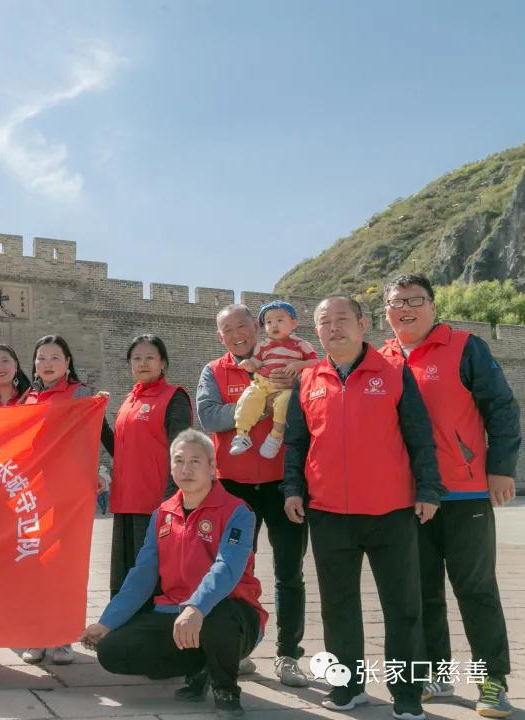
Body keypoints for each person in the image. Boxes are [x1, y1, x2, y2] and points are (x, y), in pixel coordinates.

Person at [282, 296, 444, 720]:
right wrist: (292, 489)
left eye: (342, 319)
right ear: (317, 331)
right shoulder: (308, 379)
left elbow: (419, 435)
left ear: (362, 324)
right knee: (337, 607)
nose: (333, 328)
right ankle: (347, 687)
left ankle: (406, 694)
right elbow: (296, 442)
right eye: (324, 322)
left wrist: (429, 489)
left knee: (403, 607)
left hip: (391, 512)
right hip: (329, 513)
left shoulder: (393, 372)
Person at [379, 274, 519, 718]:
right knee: (421, 591)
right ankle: (434, 673)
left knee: (475, 589)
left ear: (433, 306)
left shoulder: (464, 347)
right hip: (408, 497)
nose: (406, 308)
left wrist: (501, 468)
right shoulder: (382, 358)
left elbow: (501, 407)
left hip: (465, 492)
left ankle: (492, 681)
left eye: (415, 300)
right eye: (397, 302)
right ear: (386, 313)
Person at [79, 429, 266, 719]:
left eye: (195, 461)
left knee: (217, 616)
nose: (186, 469)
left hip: (232, 614)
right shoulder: (163, 514)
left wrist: (196, 607)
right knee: (112, 650)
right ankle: (199, 666)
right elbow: (142, 575)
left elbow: (227, 568)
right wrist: (107, 622)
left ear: (212, 467)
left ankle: (226, 688)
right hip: (174, 612)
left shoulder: (238, 512)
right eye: (179, 461)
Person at [196, 303, 309, 687]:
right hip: (233, 488)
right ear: (220, 336)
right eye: (228, 330)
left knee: (289, 572)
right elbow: (209, 416)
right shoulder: (214, 371)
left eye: (242, 326)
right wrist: (258, 409)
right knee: (233, 569)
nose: (237, 335)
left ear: (256, 328)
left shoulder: (287, 361)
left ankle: (288, 654)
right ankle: (236, 647)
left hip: (284, 485)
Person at [19, 334, 112, 666]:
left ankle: (62, 637)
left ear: (68, 362)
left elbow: (98, 435)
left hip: (70, 492)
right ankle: (36, 635)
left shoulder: (81, 394)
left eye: (55, 357)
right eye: (41, 358)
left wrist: (100, 470)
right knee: (35, 565)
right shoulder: (28, 398)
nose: (47, 364)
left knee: (66, 565)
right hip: (34, 494)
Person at [109, 334, 192, 597]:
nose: (142, 363)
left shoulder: (173, 397)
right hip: (125, 502)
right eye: (136, 358)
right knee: (125, 579)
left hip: (155, 504)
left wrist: (170, 502)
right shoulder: (129, 401)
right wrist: (98, 423)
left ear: (162, 362)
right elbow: (119, 451)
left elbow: (181, 452)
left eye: (149, 358)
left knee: (151, 580)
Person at [229, 301, 318, 458]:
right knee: (248, 397)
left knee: (285, 404)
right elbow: (257, 362)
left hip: (286, 388)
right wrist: (249, 364)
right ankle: (242, 434)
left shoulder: (301, 345)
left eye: (280, 320)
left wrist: (299, 365)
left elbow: (316, 362)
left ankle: (275, 437)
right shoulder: (263, 345)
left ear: (294, 323)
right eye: (269, 322)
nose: (274, 325)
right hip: (263, 383)